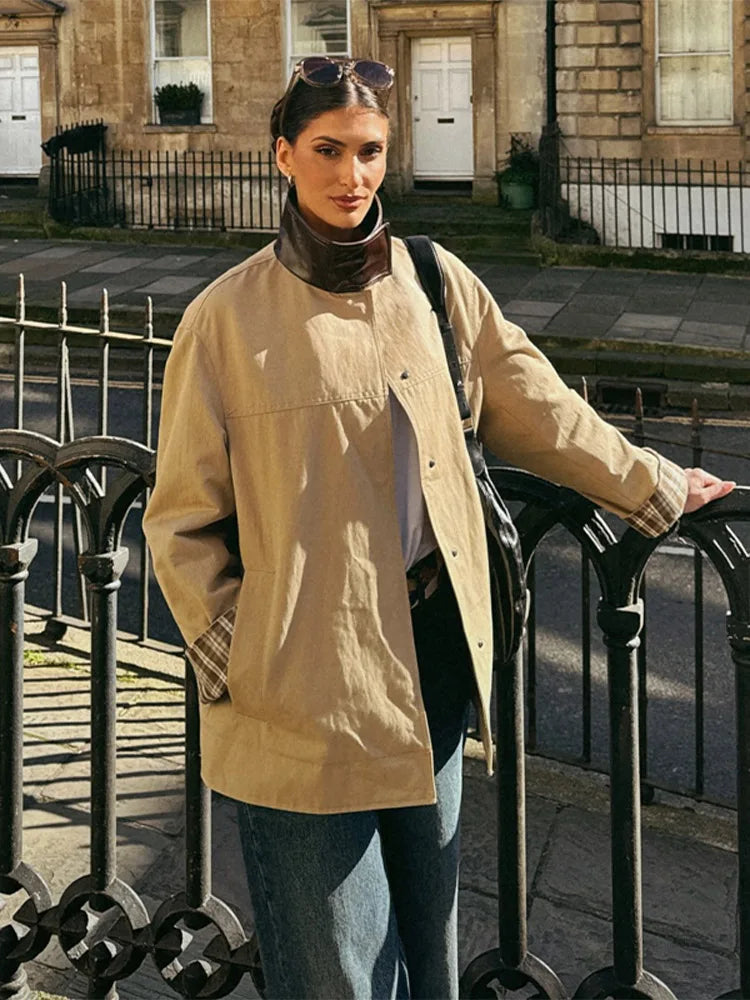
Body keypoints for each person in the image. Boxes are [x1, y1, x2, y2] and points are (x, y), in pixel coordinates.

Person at [142, 57, 735, 1000]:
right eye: (327, 150)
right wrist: (240, 661)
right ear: (283, 155)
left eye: (370, 151)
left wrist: (656, 482)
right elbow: (180, 521)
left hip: (435, 662)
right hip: (301, 685)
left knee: (430, 956)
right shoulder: (223, 320)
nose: (352, 175)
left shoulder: (433, 280)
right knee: (338, 974)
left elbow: (539, 406)